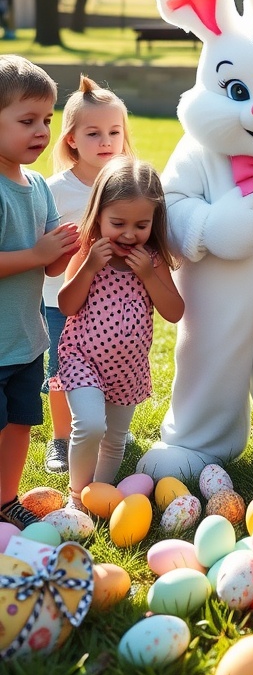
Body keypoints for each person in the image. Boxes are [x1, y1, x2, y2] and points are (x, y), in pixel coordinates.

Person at [57, 156, 184, 510]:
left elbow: (174, 312)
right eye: (118, 223)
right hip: (82, 359)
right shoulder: (88, 250)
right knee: (90, 425)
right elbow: (67, 305)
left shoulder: (153, 259)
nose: (129, 234)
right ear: (98, 214)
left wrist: (148, 275)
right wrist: (89, 266)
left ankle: (99, 495)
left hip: (127, 369)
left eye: (141, 225)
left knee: (114, 440)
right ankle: (76, 497)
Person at [0, 54, 79, 529]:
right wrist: (37, 253)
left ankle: (6, 498)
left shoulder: (37, 186)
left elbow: (50, 263)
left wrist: (71, 247)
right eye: (26, 120)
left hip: (27, 342)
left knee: (21, 424)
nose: (41, 131)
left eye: (46, 120)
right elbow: (32, 256)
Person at [42, 75, 133, 475]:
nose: (106, 140)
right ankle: (61, 440)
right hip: (61, 300)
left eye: (114, 131)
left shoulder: (126, 184)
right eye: (93, 132)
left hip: (114, 301)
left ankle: (112, 428)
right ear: (72, 140)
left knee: (113, 362)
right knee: (62, 372)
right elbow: (44, 247)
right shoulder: (55, 190)